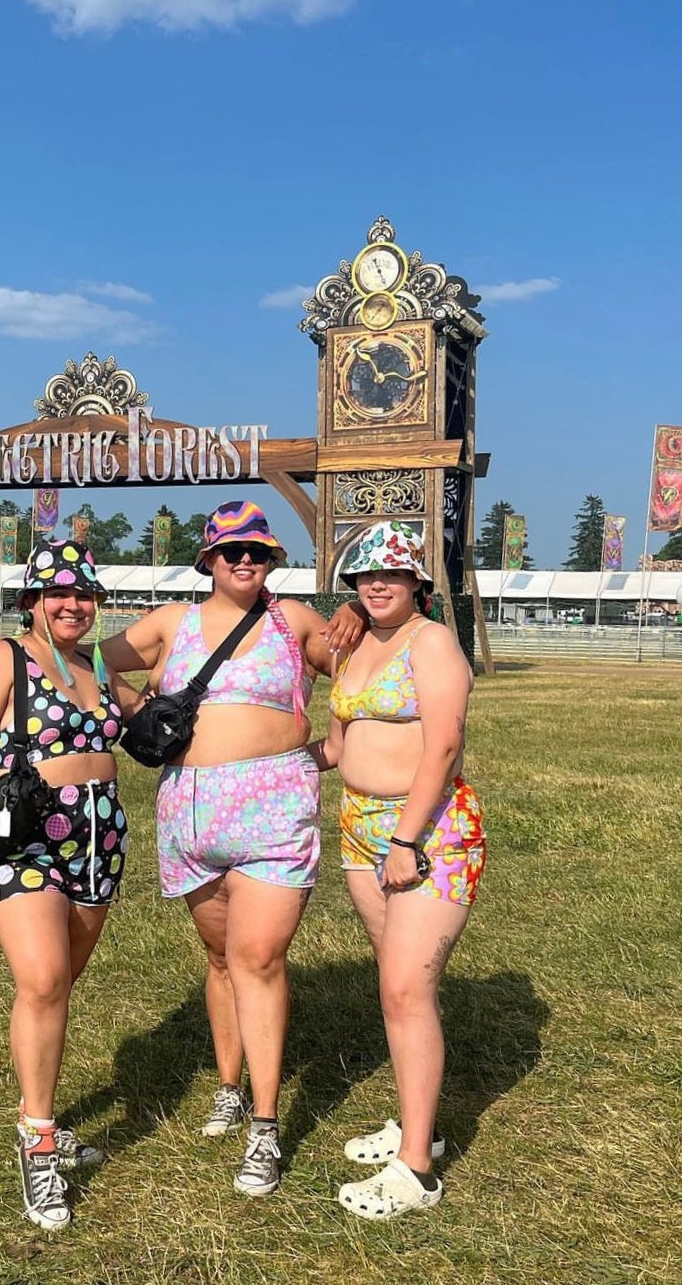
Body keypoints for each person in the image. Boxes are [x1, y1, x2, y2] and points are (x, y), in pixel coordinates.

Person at [100, 501, 361, 1199]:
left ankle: (267, 1125)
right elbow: (89, 657)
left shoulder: (295, 619)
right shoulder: (171, 623)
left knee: (259, 958)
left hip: (274, 809)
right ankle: (227, 1085)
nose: (244, 561)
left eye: (257, 552)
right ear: (208, 560)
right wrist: (135, 708)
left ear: (272, 559)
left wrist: (357, 627)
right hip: (190, 813)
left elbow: (364, 676)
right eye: (230, 552)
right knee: (219, 959)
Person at [0, 540, 141, 1232]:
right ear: (31, 600)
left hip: (100, 840)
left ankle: (45, 1123)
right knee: (43, 980)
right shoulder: (5, 659)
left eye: (84, 594)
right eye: (57, 593)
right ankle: (37, 1141)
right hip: (23, 838)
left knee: (61, 985)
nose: (72, 604)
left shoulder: (96, 665)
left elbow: (154, 725)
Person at [311, 519, 488, 1220]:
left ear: (417, 581)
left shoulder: (432, 642)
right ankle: (418, 1127)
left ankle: (415, 1171)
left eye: (390, 573)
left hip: (428, 834)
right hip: (360, 832)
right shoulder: (354, 646)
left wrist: (407, 840)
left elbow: (442, 745)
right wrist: (252, 753)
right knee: (397, 988)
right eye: (363, 575)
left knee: (404, 991)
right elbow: (334, 745)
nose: (376, 584)